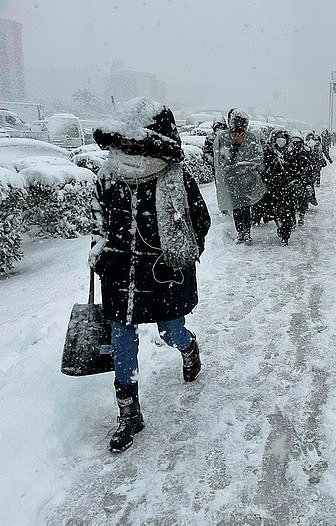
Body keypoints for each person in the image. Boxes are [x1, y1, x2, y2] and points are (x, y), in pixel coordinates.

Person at [90, 97, 211, 453]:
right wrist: (100, 253)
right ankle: (128, 413)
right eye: (124, 142)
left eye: (135, 143)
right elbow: (98, 223)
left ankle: (188, 347)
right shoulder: (107, 176)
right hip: (119, 274)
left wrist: (179, 255)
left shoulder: (175, 177)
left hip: (162, 274)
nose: (128, 149)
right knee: (122, 339)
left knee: (170, 330)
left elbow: (199, 222)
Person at [213, 108, 265, 243]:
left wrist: (251, 166)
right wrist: (236, 145)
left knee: (246, 206)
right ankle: (240, 232)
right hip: (231, 178)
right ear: (232, 121)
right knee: (236, 206)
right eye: (237, 120)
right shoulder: (224, 137)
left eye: (242, 120)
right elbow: (224, 159)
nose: (239, 123)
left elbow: (258, 155)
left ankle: (247, 232)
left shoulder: (251, 137)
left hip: (248, 178)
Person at [261, 129, 296, 245]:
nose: (281, 139)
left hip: (288, 187)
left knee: (287, 212)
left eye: (283, 137)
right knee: (276, 212)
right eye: (278, 137)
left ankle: (285, 234)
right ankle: (280, 226)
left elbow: (295, 168)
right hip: (273, 187)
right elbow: (264, 168)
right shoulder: (269, 151)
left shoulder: (291, 152)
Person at [287, 131, 312, 226]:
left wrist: (305, 174)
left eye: (298, 142)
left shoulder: (306, 152)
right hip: (291, 180)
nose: (296, 144)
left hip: (303, 180)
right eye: (294, 142)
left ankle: (301, 216)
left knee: (304, 197)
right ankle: (292, 219)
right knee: (289, 201)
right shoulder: (288, 153)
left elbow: (309, 167)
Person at [305, 131, 325, 198]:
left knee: (317, 172)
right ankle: (315, 182)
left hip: (317, 162)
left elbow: (323, 152)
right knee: (314, 173)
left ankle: (317, 182)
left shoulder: (319, 145)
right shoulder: (309, 145)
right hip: (314, 162)